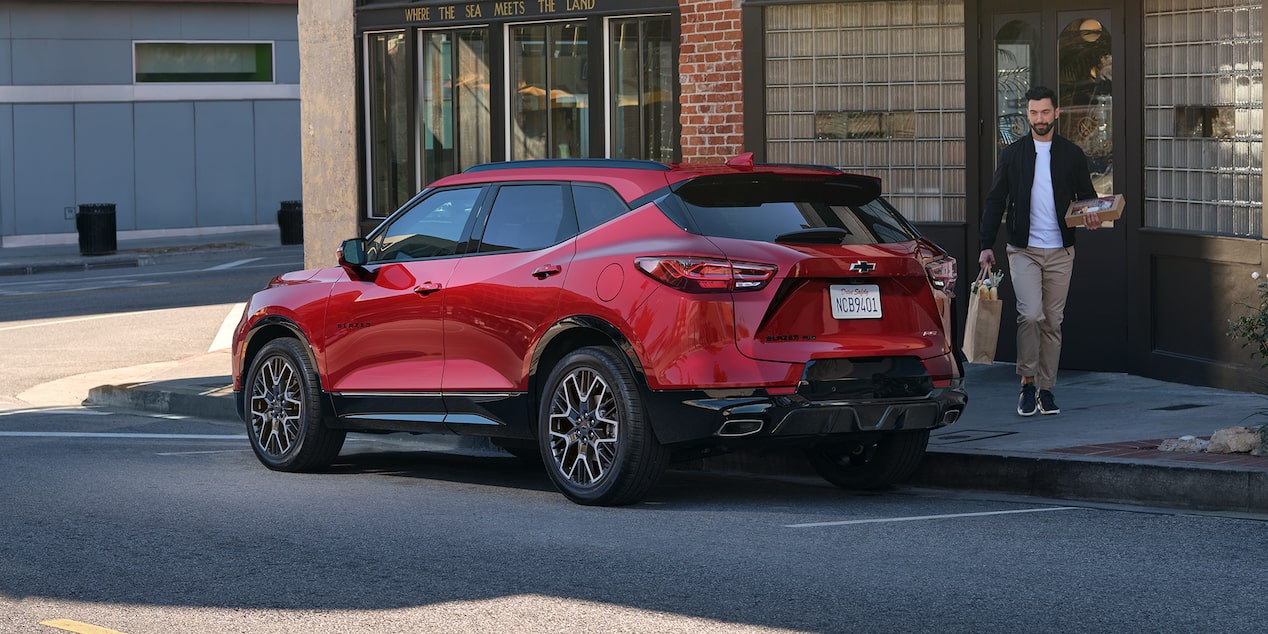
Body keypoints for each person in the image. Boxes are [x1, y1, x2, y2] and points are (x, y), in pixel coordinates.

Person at [978, 85, 1102, 417]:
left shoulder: (1072, 154)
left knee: (1052, 322)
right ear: (1027, 115)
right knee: (1030, 314)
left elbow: (1087, 197)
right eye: (1033, 113)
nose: (1039, 119)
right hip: (1024, 250)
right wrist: (985, 245)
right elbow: (995, 201)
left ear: (1056, 113)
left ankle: (1046, 390)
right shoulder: (1013, 154)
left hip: (1061, 250)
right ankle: (1026, 382)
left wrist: (1091, 216)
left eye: (1045, 112)